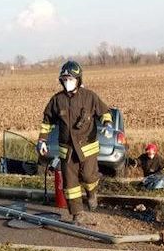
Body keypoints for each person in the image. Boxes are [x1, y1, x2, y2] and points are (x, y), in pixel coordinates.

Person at [37, 60, 113, 222]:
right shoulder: (57, 100)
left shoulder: (90, 97)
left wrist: (108, 125)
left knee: (88, 176)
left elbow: (104, 112)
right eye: (64, 80)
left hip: (88, 147)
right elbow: (47, 122)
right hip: (67, 151)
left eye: (70, 79)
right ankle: (77, 213)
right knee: (70, 184)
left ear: (78, 79)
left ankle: (92, 193)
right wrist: (42, 140)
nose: (67, 83)